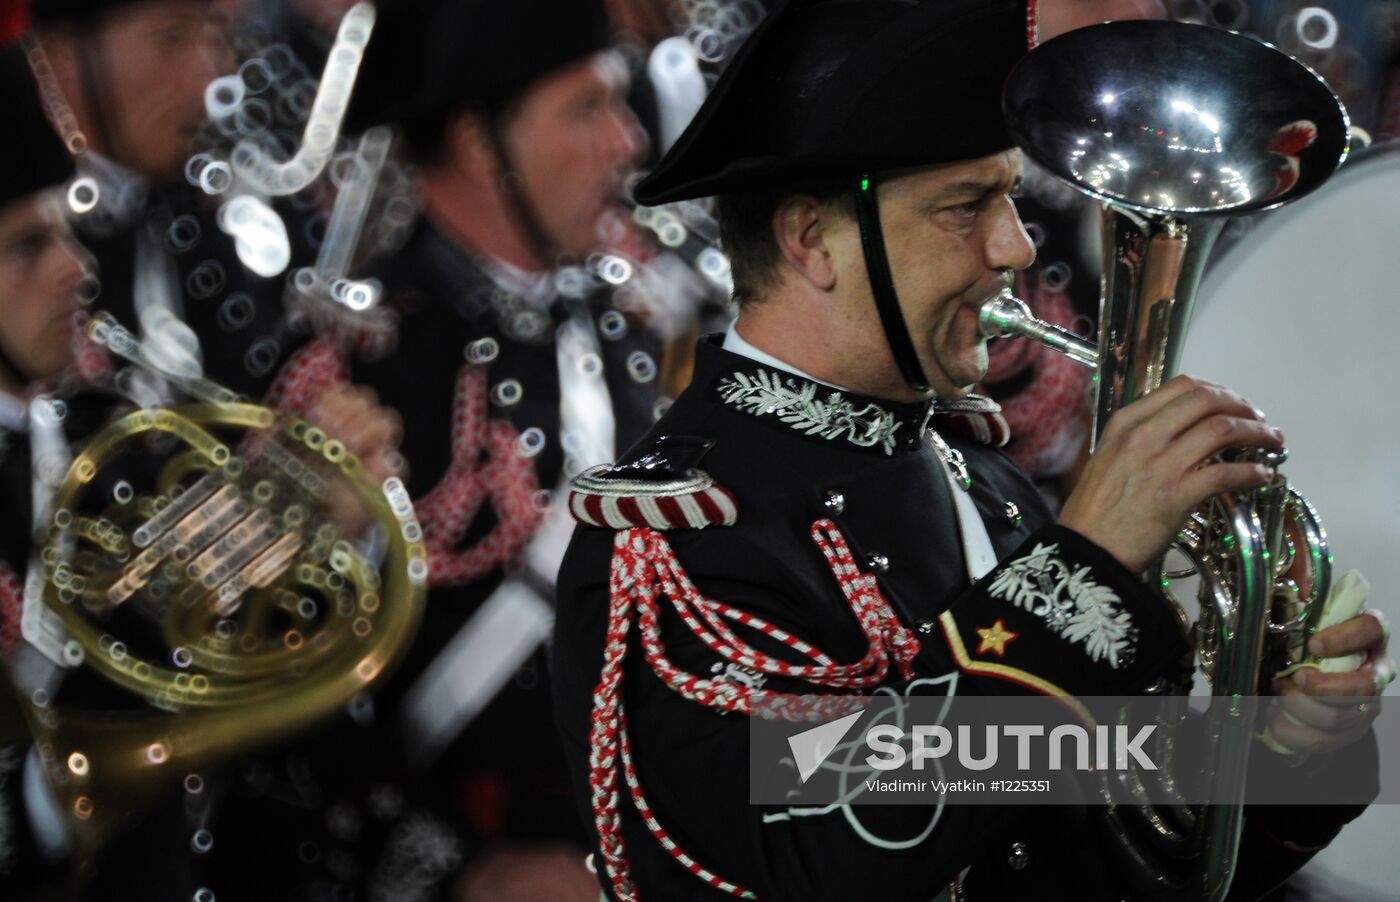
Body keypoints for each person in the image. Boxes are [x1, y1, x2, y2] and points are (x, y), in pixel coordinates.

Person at [550, 1, 1392, 900]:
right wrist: (1087, 566)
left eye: (1012, 197)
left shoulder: (985, 480)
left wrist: (1288, 751)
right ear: (810, 240)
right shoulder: (675, 539)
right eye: (965, 207)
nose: (1016, 245)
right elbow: (838, 837)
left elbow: (1110, 849)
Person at [207, 1, 669, 899]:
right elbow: (271, 716)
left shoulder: (620, 332)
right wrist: (456, 877)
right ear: (476, 140)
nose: (628, 143)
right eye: (587, 108)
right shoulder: (351, 372)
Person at [27, 0, 310, 398]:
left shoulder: (195, 214)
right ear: (60, 58)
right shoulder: (22, 246)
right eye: (171, 38)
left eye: (213, 38)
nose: (210, 77)